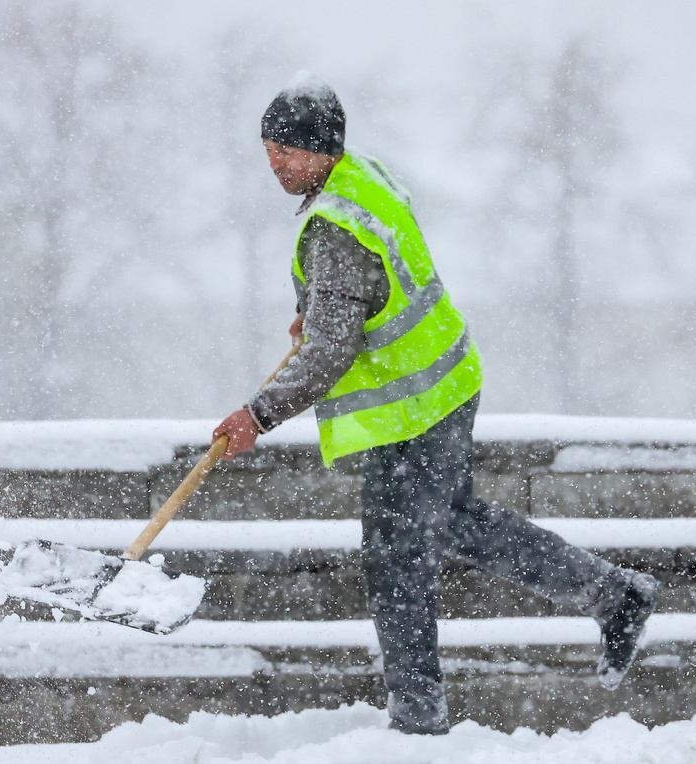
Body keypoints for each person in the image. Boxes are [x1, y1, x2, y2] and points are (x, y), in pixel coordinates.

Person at [213, 74, 659, 736]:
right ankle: (614, 595)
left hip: (414, 408)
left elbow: (330, 353)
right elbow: (378, 277)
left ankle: (418, 722)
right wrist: (324, 306)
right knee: (448, 523)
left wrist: (258, 415)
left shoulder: (334, 228)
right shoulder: (364, 178)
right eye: (269, 150)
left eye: (288, 150)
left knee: (397, 560)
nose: (275, 163)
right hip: (445, 381)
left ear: (324, 149)